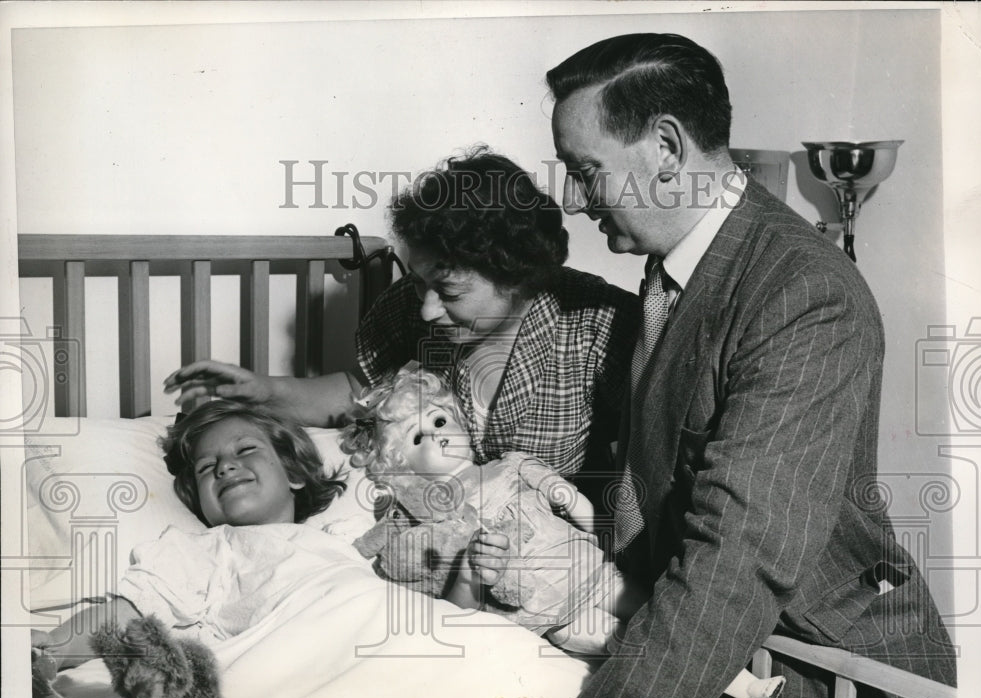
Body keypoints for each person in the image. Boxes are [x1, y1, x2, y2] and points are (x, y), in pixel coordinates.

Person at [541, 33, 957, 698]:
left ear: (666, 148)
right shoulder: (680, 270)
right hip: (719, 648)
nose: (575, 203)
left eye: (586, 172)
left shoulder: (804, 293)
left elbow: (739, 550)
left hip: (827, 682)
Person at [163, 149, 638, 490]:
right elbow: (362, 392)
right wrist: (264, 391)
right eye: (417, 284)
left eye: (449, 292)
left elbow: (652, 465)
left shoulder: (596, 328)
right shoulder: (408, 311)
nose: (427, 309)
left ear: (519, 275)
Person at [343, 364, 785, 698]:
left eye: (439, 420)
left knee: (667, 619)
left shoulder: (510, 464)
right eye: (418, 436)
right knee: (628, 645)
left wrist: (577, 506)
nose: (437, 436)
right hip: (552, 616)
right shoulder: (437, 522)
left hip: (594, 570)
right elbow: (450, 602)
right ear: (402, 464)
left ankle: (748, 686)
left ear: (459, 420)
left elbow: (570, 501)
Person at [31, 400, 347, 668]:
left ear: (293, 473)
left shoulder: (337, 538)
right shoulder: (211, 551)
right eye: (206, 468)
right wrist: (56, 648)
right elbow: (130, 611)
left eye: (246, 449)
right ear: (200, 503)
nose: (225, 467)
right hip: (300, 656)